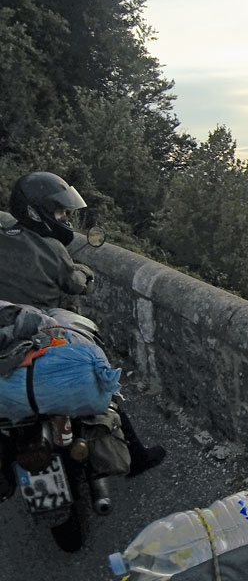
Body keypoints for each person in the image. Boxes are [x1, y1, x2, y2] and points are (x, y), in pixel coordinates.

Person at [0, 172, 165, 491]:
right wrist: (84, 273)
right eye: (60, 212)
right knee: (101, 381)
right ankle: (137, 456)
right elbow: (75, 283)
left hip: (6, 332)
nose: (64, 218)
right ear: (36, 212)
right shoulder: (51, 248)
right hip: (44, 331)